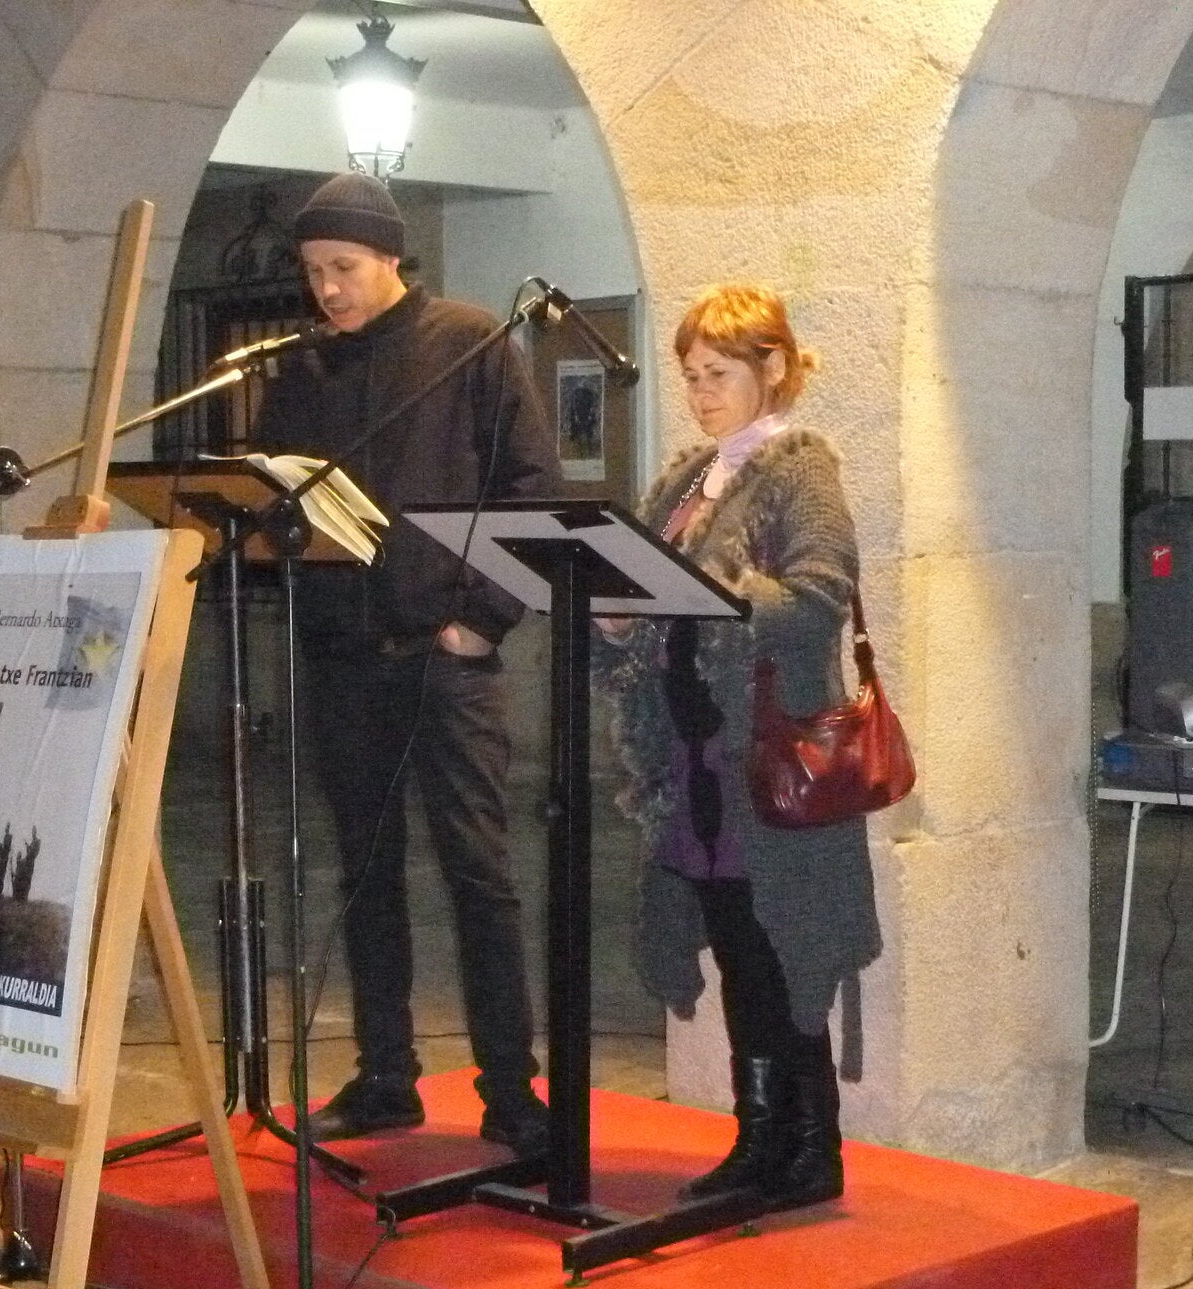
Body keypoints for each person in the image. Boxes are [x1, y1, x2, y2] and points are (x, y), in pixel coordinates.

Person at [254, 172, 559, 1154]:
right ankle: (385, 1075)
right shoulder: (298, 375)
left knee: (480, 874)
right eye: (311, 273)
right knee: (364, 873)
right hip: (345, 657)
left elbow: (530, 489)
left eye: (342, 268)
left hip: (446, 656)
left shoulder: (467, 342)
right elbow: (273, 508)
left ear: (389, 257)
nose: (327, 290)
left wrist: (484, 618)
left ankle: (511, 1091)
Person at [596, 284, 881, 1206]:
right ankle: (760, 1142)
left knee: (779, 955)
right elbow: (653, 596)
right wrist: (618, 621)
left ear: (773, 370)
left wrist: (706, 585)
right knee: (733, 955)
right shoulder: (684, 477)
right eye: (689, 376)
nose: (700, 391)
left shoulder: (802, 472)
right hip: (695, 768)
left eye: (718, 374)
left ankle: (810, 1153)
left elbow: (816, 600)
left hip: (770, 769)